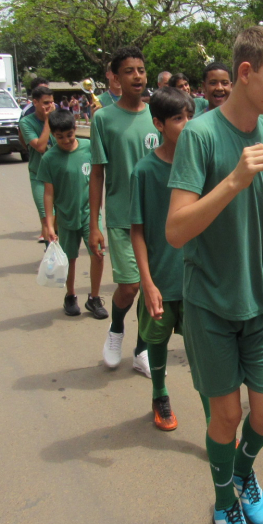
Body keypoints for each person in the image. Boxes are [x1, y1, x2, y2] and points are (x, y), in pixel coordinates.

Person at [166, 26, 263, 524]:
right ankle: (223, 501)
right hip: (210, 304)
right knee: (225, 418)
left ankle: (243, 474)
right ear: (245, 73)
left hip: (260, 304)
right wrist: (235, 179)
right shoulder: (199, 136)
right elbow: (176, 230)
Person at [129, 86, 207, 431]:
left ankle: (215, 418)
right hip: (161, 278)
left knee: (204, 353)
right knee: (157, 341)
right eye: (178, 118)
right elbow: (138, 231)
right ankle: (160, 393)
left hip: (198, 279)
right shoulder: (145, 171)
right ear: (158, 123)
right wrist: (147, 282)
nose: (187, 124)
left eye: (190, 115)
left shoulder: (204, 163)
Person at [90, 46, 159, 377]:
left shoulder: (158, 115)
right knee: (130, 286)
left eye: (141, 70)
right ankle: (116, 329)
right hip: (121, 218)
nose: (137, 76)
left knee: (152, 289)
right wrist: (94, 224)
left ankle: (142, 349)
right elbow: (97, 174)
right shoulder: (103, 118)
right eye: (129, 71)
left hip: (158, 219)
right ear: (115, 78)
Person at [38, 109, 108, 319]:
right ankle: (70, 295)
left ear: (75, 129)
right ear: (53, 136)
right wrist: (50, 226)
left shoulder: (89, 149)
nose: (66, 140)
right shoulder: (49, 159)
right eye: (59, 137)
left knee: (98, 254)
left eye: (69, 135)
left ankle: (94, 298)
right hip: (66, 217)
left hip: (90, 215)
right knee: (70, 259)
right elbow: (48, 194)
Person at [19, 86, 56, 241]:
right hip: (39, 176)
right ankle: (52, 259)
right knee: (48, 220)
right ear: (35, 102)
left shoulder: (59, 118)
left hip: (59, 176)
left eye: (52, 102)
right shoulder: (26, 122)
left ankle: (60, 256)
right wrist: (48, 121)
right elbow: (40, 146)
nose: (50, 106)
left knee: (59, 221)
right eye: (46, 103)